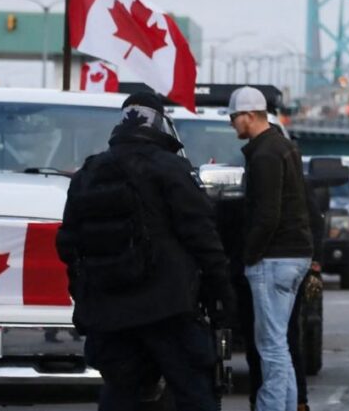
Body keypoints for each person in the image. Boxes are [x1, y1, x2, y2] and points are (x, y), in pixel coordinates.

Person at [56, 92, 236, 411]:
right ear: (160, 122)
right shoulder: (170, 168)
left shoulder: (89, 173)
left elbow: (69, 244)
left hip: (109, 310)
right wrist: (222, 293)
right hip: (168, 308)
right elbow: (202, 237)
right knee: (195, 395)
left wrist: (85, 299)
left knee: (120, 394)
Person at [229, 86, 313, 411]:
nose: (232, 123)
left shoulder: (263, 155)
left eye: (234, 117)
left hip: (273, 258)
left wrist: (249, 256)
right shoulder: (284, 148)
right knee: (280, 344)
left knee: (271, 346)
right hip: (295, 255)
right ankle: (288, 406)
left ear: (250, 116)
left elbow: (266, 214)